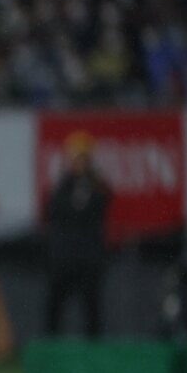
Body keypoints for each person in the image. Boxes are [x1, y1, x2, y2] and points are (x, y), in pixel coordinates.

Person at [44, 131, 111, 337]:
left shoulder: (97, 186)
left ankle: (94, 354)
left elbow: (101, 205)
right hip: (64, 257)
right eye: (75, 157)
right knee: (54, 305)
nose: (79, 162)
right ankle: (52, 350)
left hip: (88, 257)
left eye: (83, 158)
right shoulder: (63, 185)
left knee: (91, 307)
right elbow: (52, 211)